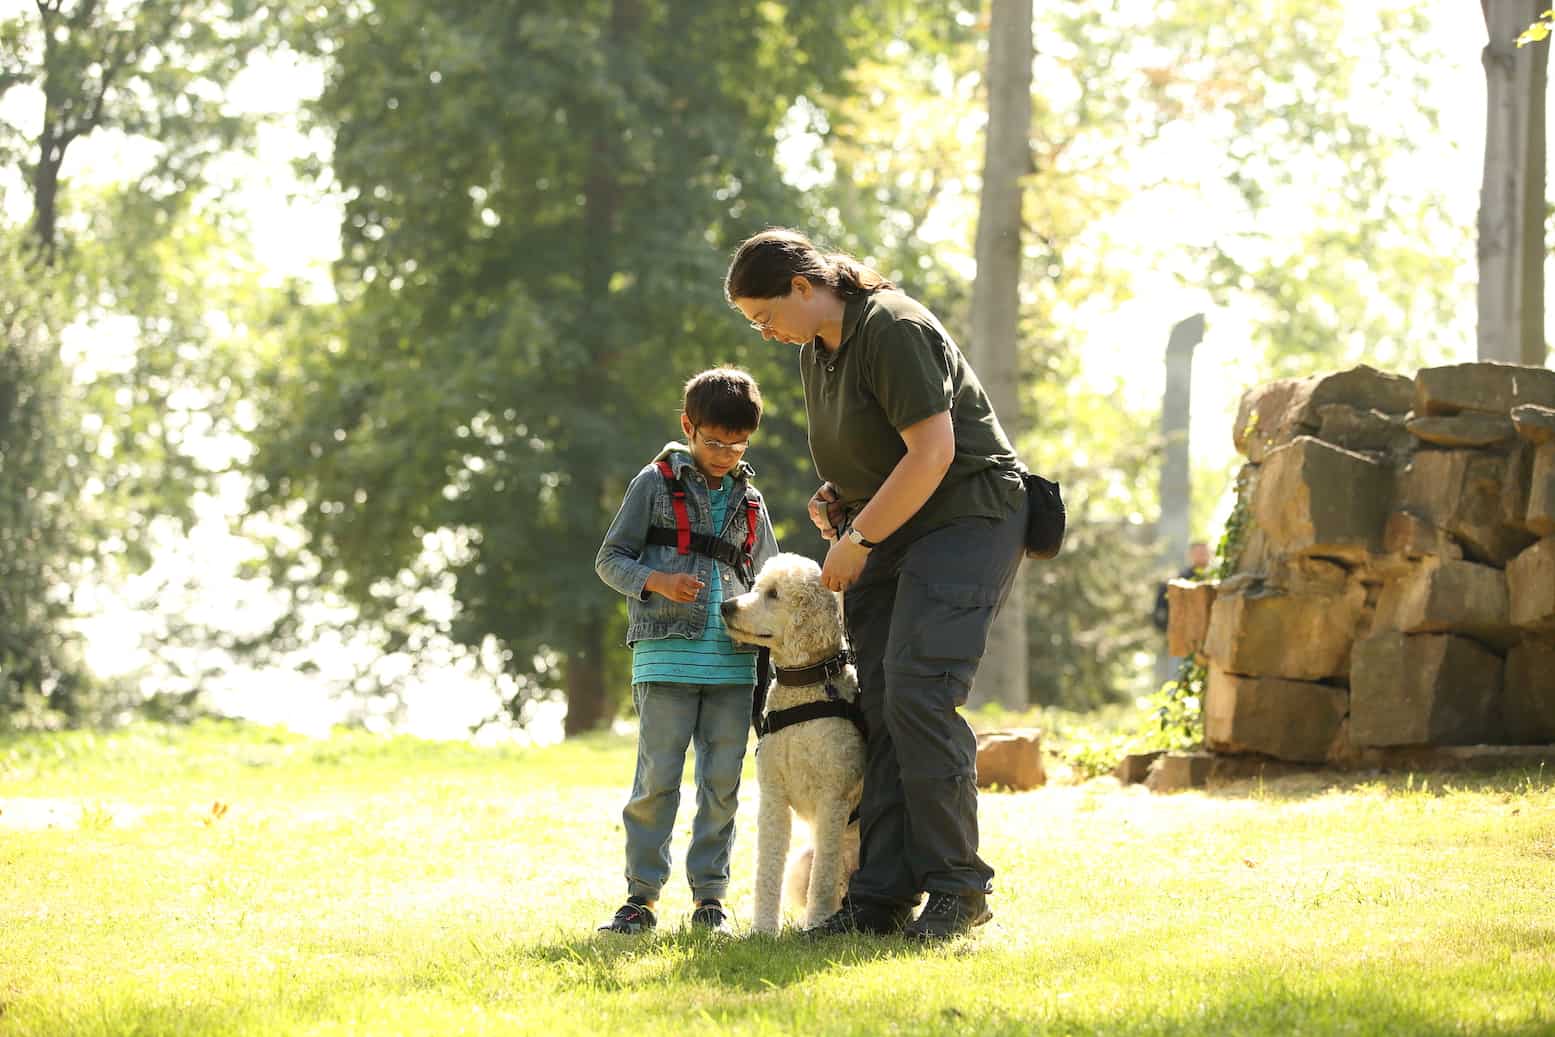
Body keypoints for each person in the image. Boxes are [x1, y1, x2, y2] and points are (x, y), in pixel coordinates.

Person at [724, 228, 1028, 940]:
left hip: (964, 517)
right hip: (889, 522)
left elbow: (932, 450)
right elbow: (875, 446)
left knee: (919, 687)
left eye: (764, 316)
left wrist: (858, 539)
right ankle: (878, 897)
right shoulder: (813, 350)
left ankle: (959, 890)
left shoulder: (892, 326)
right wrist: (841, 497)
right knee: (880, 698)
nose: (764, 334)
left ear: (803, 287)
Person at [594, 367, 780, 935]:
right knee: (656, 783)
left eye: (737, 444)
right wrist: (657, 581)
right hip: (665, 659)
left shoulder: (751, 499)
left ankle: (710, 902)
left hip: (734, 665)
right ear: (688, 428)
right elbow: (610, 560)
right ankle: (640, 899)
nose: (725, 454)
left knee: (723, 786)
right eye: (714, 442)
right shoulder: (651, 484)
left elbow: (770, 576)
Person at [1151, 541, 1213, 633]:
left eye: (1204, 553)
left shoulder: (1218, 579)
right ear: (1190, 555)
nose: (1202, 556)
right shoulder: (1176, 581)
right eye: (1199, 553)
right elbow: (1159, 615)